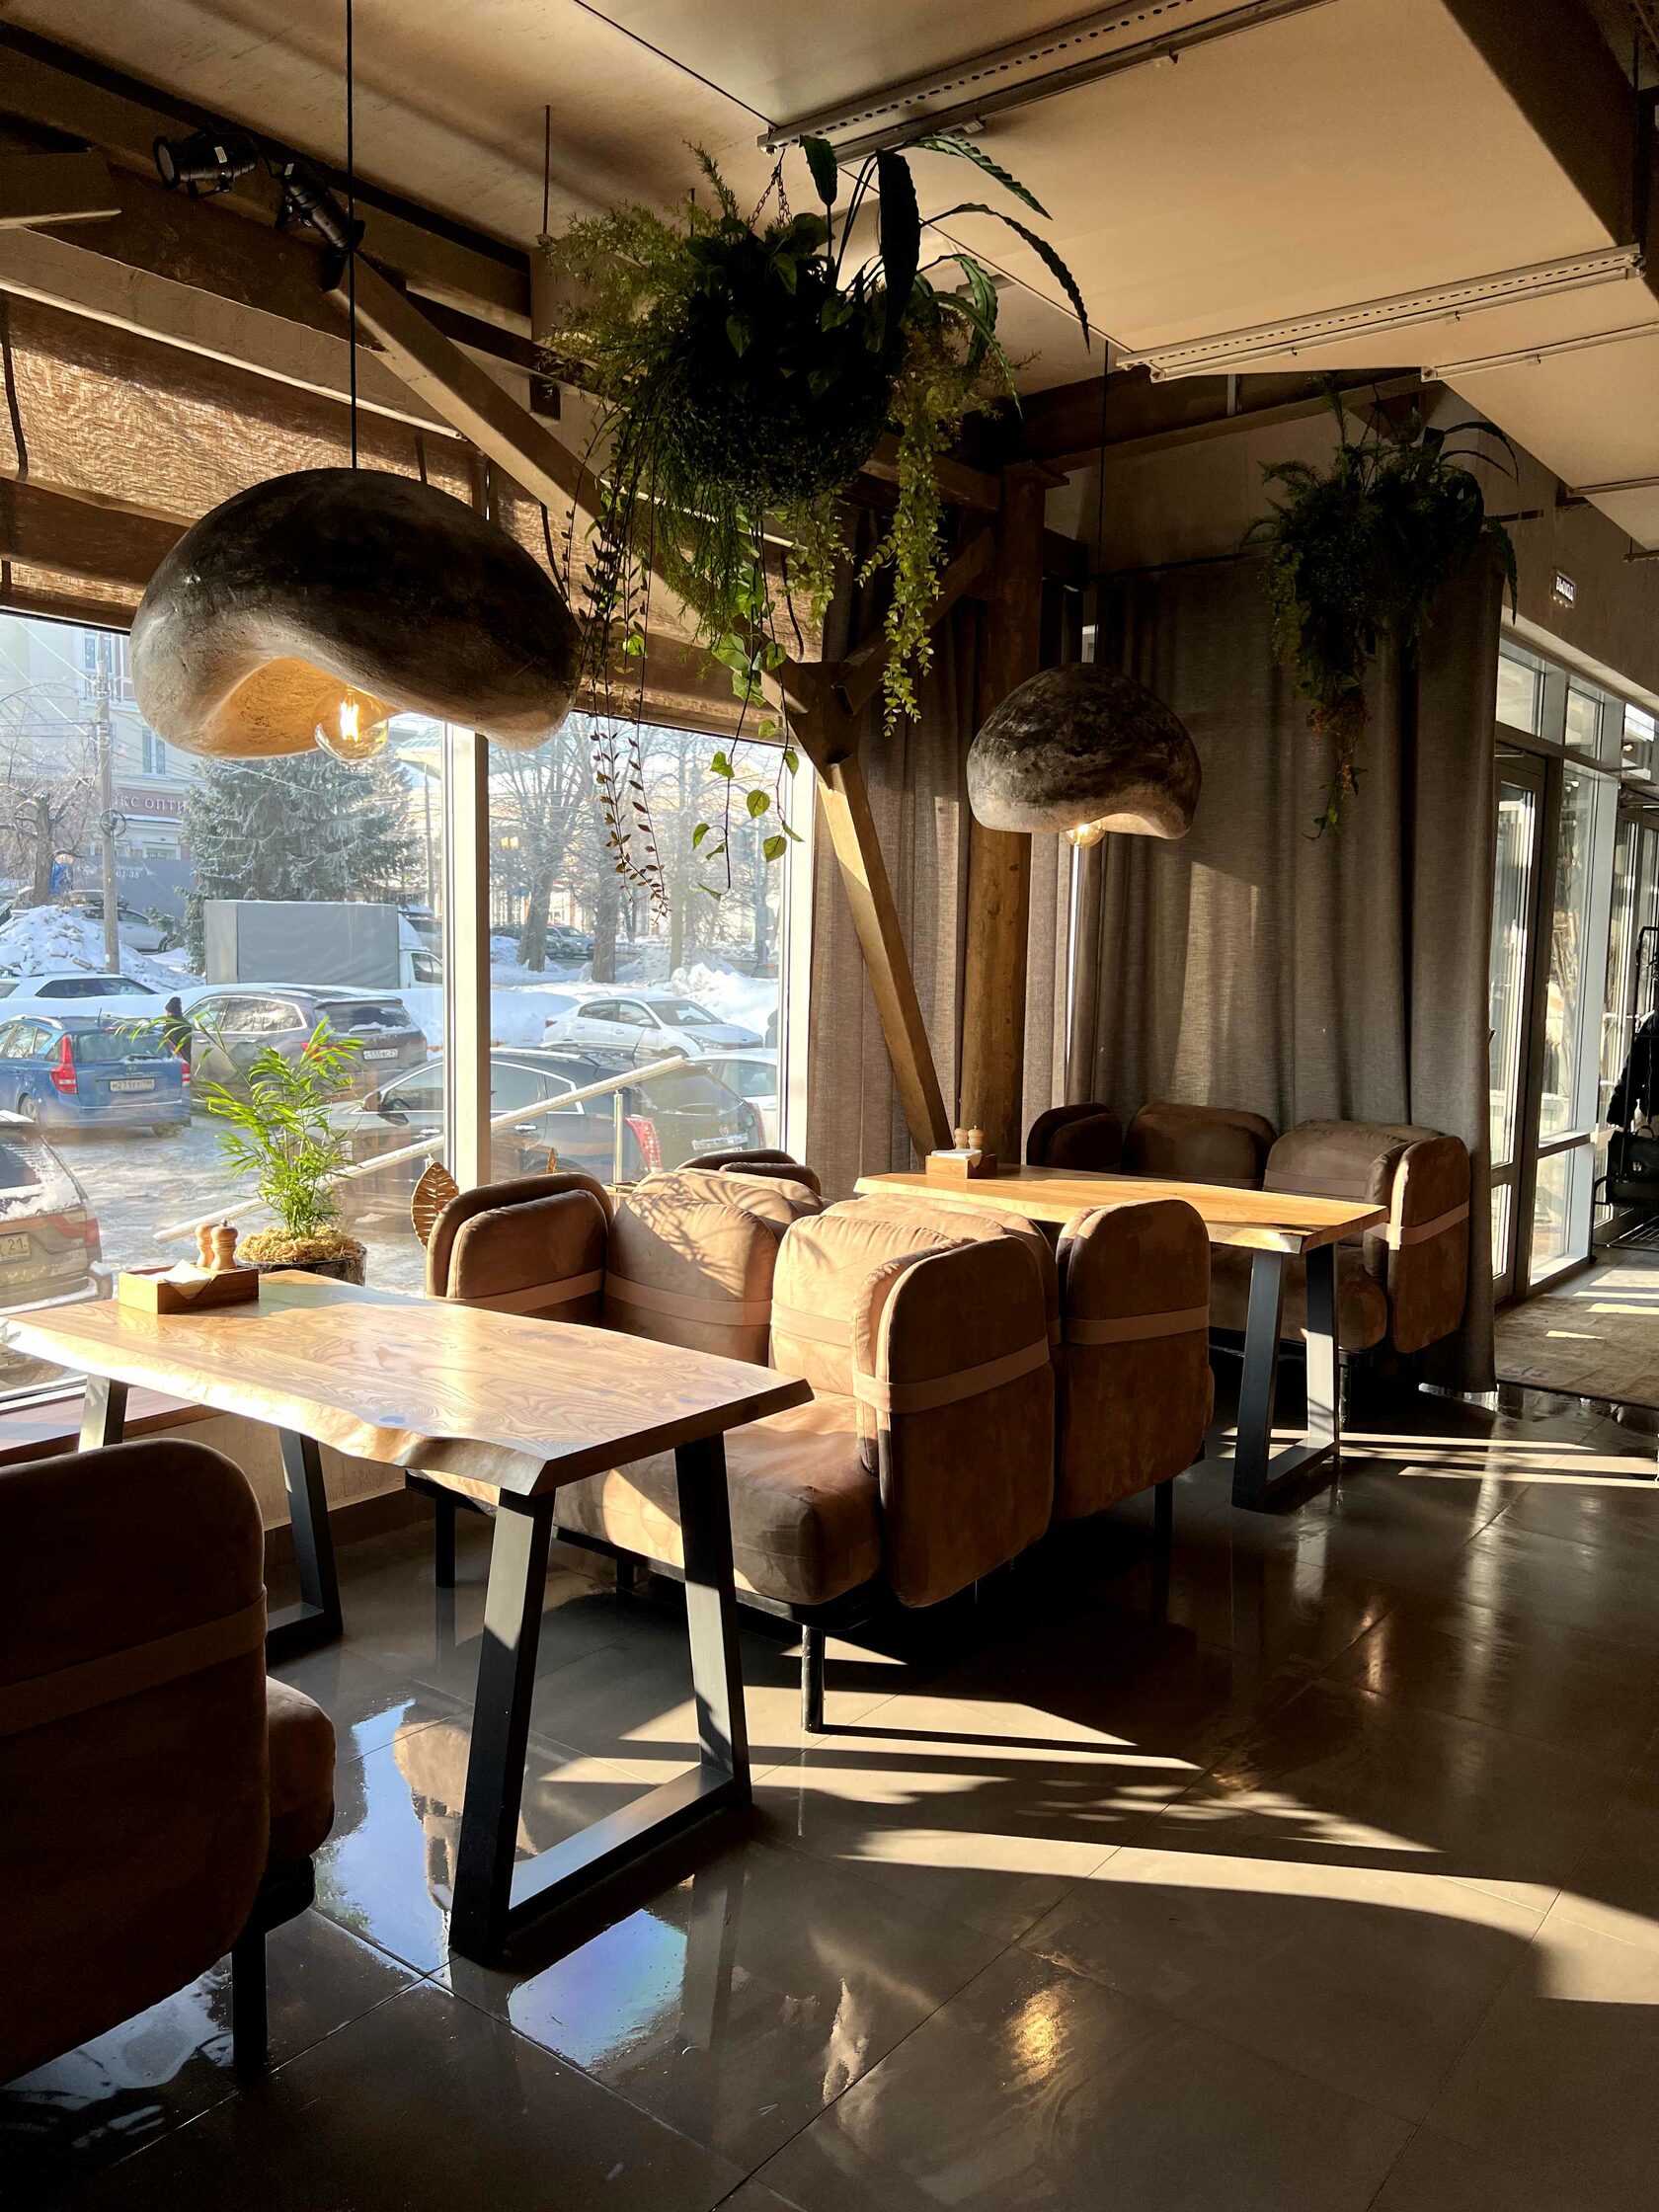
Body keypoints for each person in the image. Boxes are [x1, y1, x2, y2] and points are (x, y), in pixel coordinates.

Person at [160, 994, 192, 1061]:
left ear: (169, 1012)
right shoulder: (185, 1024)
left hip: (175, 1059)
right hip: (186, 1057)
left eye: (166, 1012)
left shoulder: (170, 1025)